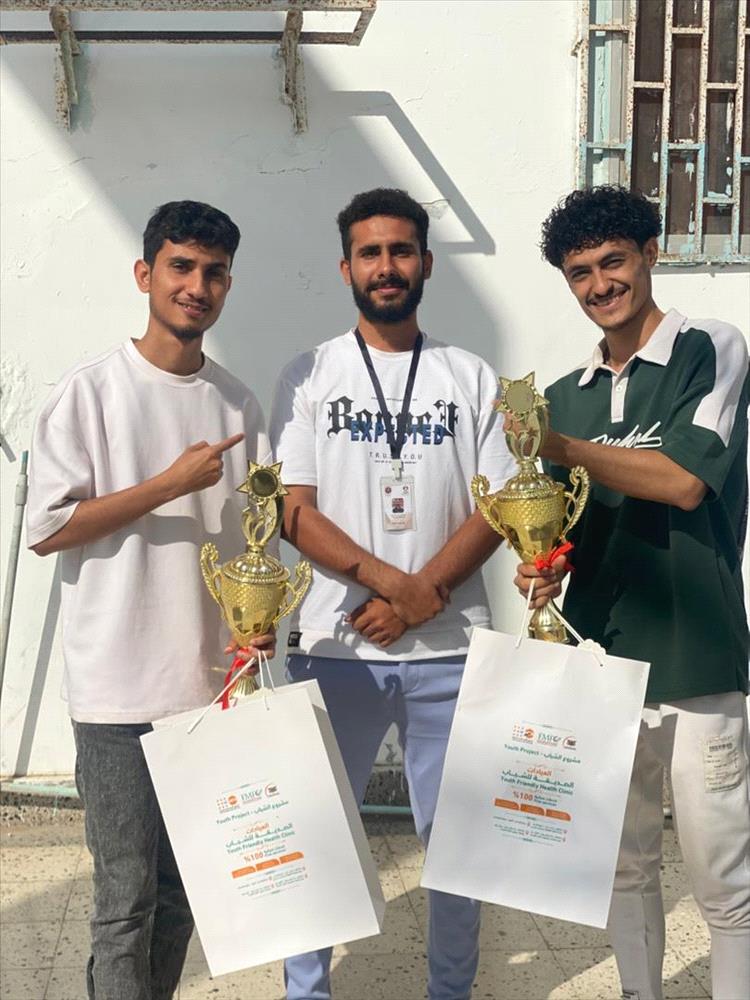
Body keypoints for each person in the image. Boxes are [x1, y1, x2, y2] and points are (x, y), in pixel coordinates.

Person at [269, 187, 515, 1000]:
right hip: (337, 645)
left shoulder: (468, 376)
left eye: (401, 251)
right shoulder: (309, 374)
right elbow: (292, 510)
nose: (386, 266)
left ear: (427, 264)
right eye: (369, 252)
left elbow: (498, 506)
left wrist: (423, 596)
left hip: (451, 649)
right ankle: (306, 992)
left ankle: (451, 992)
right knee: (317, 837)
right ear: (346, 267)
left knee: (456, 850)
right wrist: (394, 588)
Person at [26, 200, 273, 1000]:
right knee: (124, 901)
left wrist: (261, 625)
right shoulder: (90, 392)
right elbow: (48, 528)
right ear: (145, 274)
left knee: (181, 895)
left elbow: (253, 544)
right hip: (117, 692)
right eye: (181, 267)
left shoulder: (239, 405)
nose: (197, 285)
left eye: (215, 272)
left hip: (208, 690)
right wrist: (168, 484)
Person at [515, 185, 749, 1000]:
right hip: (600, 665)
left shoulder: (709, 348)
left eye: (612, 262)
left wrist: (561, 447)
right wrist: (540, 568)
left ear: (651, 254)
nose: (598, 285)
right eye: (579, 272)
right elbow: (562, 536)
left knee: (724, 881)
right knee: (623, 867)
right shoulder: (564, 395)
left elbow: (685, 481)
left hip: (698, 660)